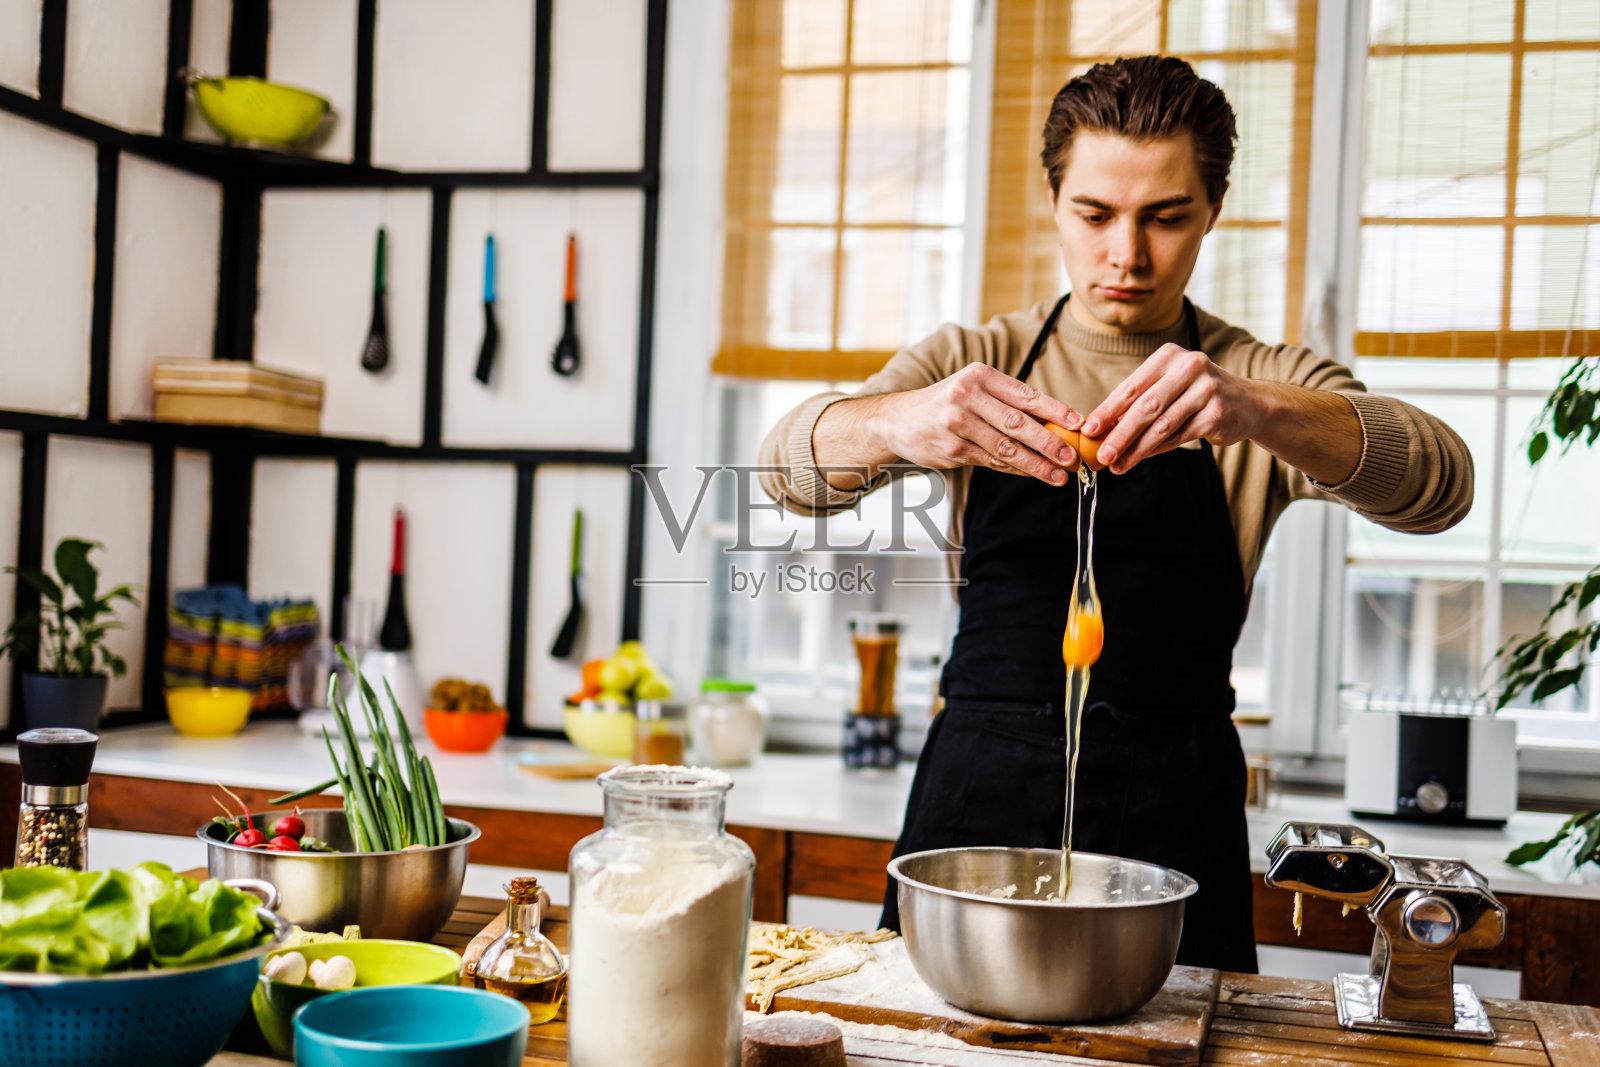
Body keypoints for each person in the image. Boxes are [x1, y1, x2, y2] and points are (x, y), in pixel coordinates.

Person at [758, 56, 1472, 974]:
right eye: (1094, 215)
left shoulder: (1257, 380)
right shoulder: (977, 359)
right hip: (976, 798)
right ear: (1054, 201)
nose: (1126, 255)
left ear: (1213, 210)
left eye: (1165, 217)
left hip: (1177, 816)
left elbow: (1444, 488)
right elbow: (784, 473)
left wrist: (1258, 411)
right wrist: (896, 420)